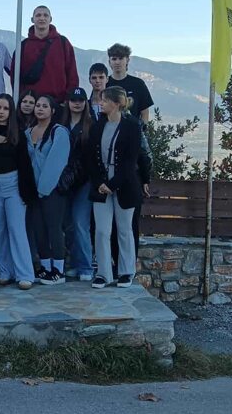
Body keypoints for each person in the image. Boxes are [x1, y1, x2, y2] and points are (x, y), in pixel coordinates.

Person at [87, 87, 149, 289]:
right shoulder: (97, 126)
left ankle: (126, 271)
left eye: (104, 100)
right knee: (102, 231)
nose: (101, 103)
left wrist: (112, 185)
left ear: (115, 103)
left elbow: (130, 162)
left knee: (124, 230)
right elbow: (91, 158)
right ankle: (103, 273)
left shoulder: (132, 127)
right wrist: (99, 183)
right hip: (101, 185)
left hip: (125, 185)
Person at [0, 94, 36, 289]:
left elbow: (25, 164)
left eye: (5, 108)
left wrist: (27, 193)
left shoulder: (18, 133)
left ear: (11, 111)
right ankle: (5, 271)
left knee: (16, 229)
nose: (1, 112)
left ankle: (25, 274)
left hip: (13, 184)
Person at [24, 95, 70, 284]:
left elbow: (56, 163)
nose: (40, 108)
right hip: (33, 191)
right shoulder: (28, 132)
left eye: (45, 106)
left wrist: (43, 189)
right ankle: (45, 266)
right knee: (38, 228)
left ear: (52, 110)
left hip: (52, 191)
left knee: (54, 228)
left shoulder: (59, 132)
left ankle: (58, 269)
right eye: (38, 105)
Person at [10, 6, 79, 103]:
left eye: (45, 15)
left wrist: (69, 98)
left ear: (50, 19)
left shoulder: (63, 43)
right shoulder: (23, 46)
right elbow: (15, 76)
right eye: (38, 15)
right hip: (31, 103)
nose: (42, 18)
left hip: (57, 102)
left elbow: (72, 73)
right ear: (32, 19)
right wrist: (21, 99)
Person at [61, 88, 94, 281]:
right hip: (65, 182)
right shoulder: (60, 124)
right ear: (68, 102)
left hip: (84, 181)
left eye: (80, 100)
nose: (77, 103)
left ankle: (86, 267)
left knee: (81, 223)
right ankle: (74, 263)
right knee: (68, 225)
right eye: (73, 99)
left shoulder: (91, 125)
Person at [106, 44, 154, 122]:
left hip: (133, 128)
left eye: (121, 58)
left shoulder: (138, 84)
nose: (117, 62)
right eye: (114, 59)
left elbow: (145, 112)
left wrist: (142, 127)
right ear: (109, 62)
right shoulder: (105, 84)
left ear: (127, 60)